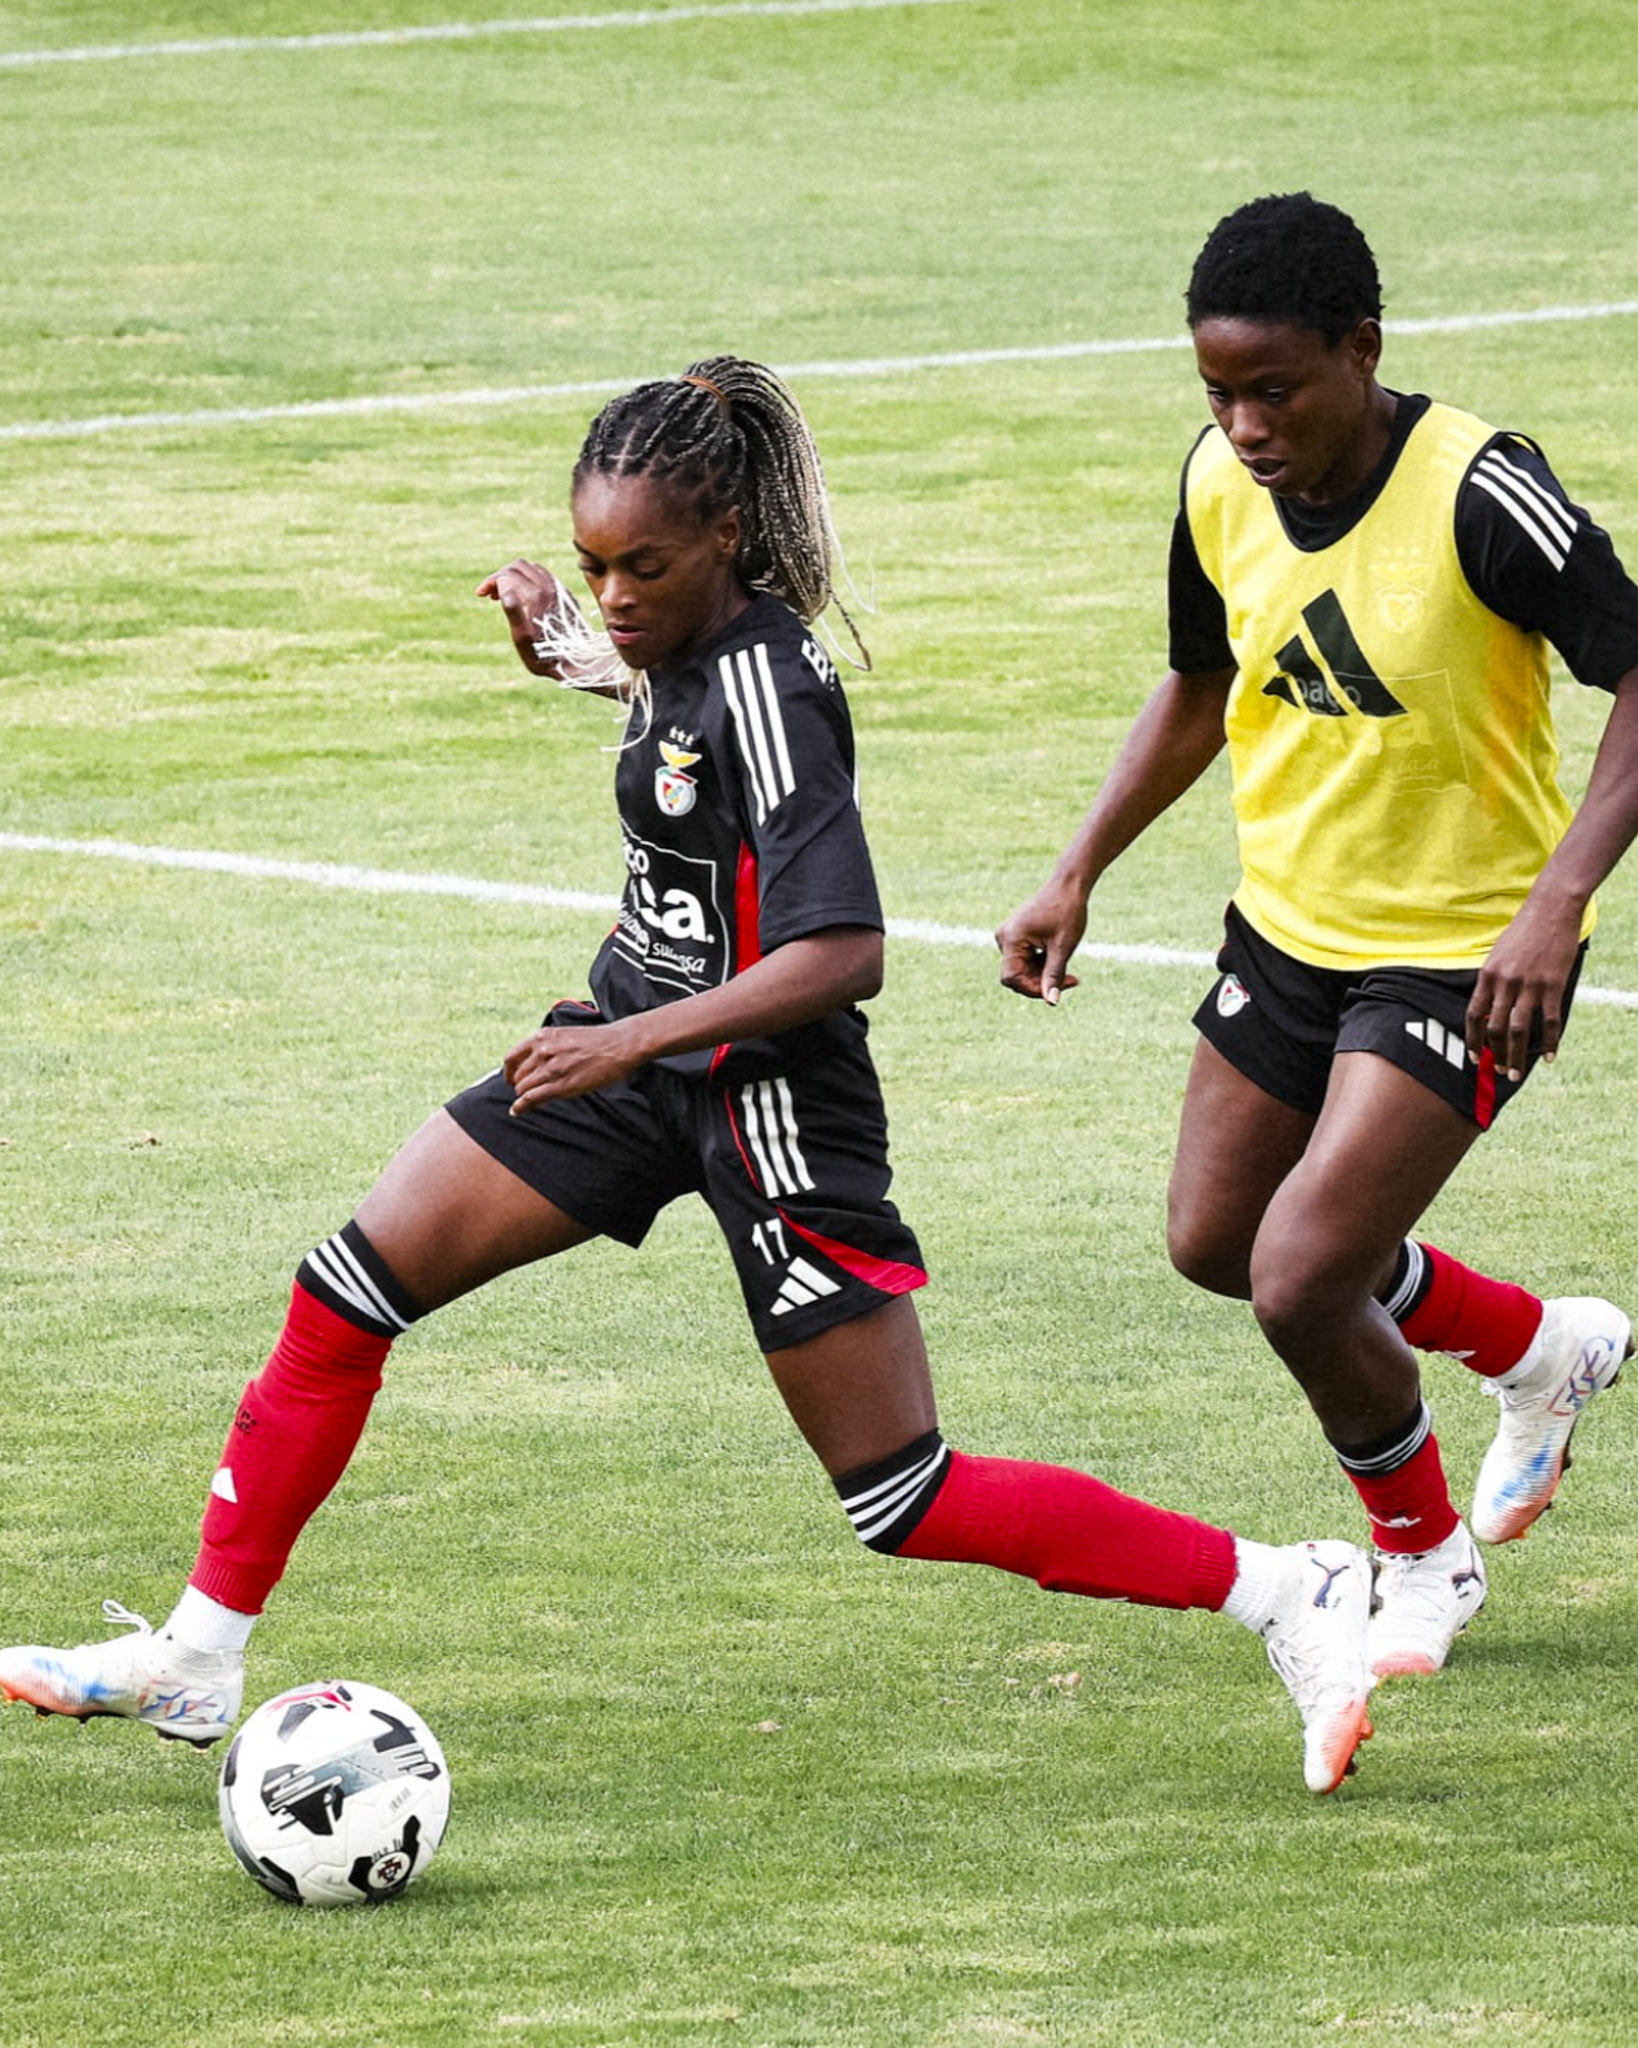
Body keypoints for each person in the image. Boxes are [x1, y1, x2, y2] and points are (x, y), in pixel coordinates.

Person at [2, 357, 1375, 1794]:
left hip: (770, 1102)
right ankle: (197, 1654)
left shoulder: (779, 687)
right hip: (633, 1055)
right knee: (344, 1293)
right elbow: (654, 697)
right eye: (592, 565)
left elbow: (845, 948)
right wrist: (553, 642)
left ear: (725, 535)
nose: (613, 594)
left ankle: (1288, 1590)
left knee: (898, 1493)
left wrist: (627, 1039)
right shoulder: (675, 639)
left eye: (638, 567)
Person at [998, 194, 1638, 1684]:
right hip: (1286, 929)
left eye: (1272, 389)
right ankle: (1536, 1350)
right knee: (1218, 1243)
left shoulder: (1483, 489)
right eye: (1215, 392)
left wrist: (1556, 903)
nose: (1242, 424)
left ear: (1361, 348)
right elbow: (1195, 682)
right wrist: (1076, 865)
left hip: (1465, 953)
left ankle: (1421, 1563)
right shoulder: (1216, 483)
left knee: (1300, 1276)